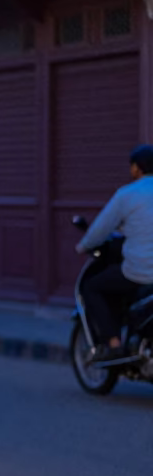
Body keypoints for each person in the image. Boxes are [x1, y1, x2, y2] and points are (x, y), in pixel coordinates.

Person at [76, 145, 153, 362]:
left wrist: (83, 246)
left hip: (141, 271)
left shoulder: (127, 194)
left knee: (92, 287)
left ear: (136, 169)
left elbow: (101, 228)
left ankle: (113, 343)